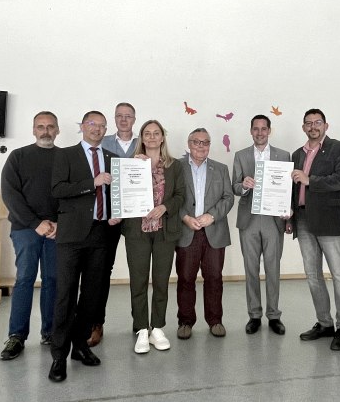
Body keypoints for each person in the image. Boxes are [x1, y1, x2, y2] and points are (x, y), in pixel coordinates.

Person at [48, 111, 120, 383]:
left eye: (102, 126)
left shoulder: (112, 159)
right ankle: (58, 355)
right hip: (71, 237)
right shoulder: (65, 155)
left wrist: (117, 211)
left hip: (101, 234)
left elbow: (116, 193)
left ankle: (79, 345)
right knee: (65, 296)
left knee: (91, 296)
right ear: (82, 127)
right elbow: (57, 189)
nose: (97, 129)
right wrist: (92, 182)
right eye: (92, 124)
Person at [290, 109, 340, 351]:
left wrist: (311, 180)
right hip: (304, 219)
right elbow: (293, 188)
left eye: (317, 122)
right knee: (313, 275)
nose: (313, 126)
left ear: (326, 125)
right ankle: (325, 323)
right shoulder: (297, 154)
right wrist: (290, 215)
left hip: (330, 220)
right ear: (303, 127)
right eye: (308, 123)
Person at [0, 111, 60, 360]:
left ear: (57, 130)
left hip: (56, 230)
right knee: (24, 279)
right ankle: (16, 336)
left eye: (50, 127)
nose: (45, 131)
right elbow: (10, 195)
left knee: (53, 280)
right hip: (26, 229)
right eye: (40, 127)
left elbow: (71, 194)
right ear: (33, 130)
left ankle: (50, 331)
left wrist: (59, 224)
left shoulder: (65, 157)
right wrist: (36, 223)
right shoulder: (18, 157)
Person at [124, 120, 185, 354]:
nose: (151, 137)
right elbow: (120, 191)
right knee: (138, 281)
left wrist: (165, 207)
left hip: (164, 231)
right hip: (137, 231)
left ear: (162, 138)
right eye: (147, 133)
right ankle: (141, 329)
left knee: (161, 281)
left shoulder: (174, 166)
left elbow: (180, 195)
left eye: (156, 133)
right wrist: (130, 165)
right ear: (141, 138)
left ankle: (157, 327)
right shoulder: (131, 163)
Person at [232, 115, 290, 335]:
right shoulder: (241, 156)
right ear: (250, 131)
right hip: (249, 219)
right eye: (255, 129)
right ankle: (254, 315)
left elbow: (288, 191)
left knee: (273, 269)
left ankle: (274, 315)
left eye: (263, 129)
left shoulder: (283, 156)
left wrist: (289, 218)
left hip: (274, 220)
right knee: (251, 269)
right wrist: (244, 186)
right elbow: (234, 187)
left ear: (269, 131)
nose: (259, 132)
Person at [176, 128, 234, 339]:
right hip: (186, 230)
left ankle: (215, 320)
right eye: (196, 142)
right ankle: (185, 321)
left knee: (214, 278)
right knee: (185, 279)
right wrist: (185, 217)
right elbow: (171, 197)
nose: (201, 146)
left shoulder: (221, 168)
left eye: (205, 142)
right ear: (189, 143)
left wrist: (211, 216)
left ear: (210, 145)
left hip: (214, 231)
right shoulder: (176, 167)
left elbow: (228, 198)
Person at [88, 102, 138, 347]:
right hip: (108, 218)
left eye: (128, 116)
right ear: (114, 119)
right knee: (101, 271)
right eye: (119, 116)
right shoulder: (102, 143)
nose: (124, 120)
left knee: (140, 272)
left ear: (134, 119)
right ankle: (96, 323)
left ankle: (140, 323)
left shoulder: (145, 143)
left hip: (139, 217)